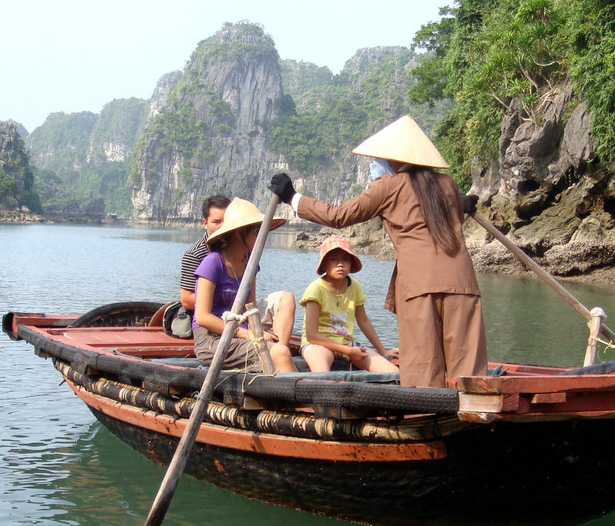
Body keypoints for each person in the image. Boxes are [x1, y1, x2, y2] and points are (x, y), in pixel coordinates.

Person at [269, 114, 488, 388]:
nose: (376, 164)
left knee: (423, 365)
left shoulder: (388, 186)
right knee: (468, 365)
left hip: (420, 284)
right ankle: (475, 408)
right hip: (462, 281)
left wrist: (292, 197)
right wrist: (460, 203)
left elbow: (338, 215)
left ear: (392, 158)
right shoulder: (447, 185)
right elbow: (440, 213)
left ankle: (426, 409)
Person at [172, 194, 295, 346]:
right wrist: (222, 294)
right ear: (205, 223)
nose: (222, 226)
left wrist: (251, 325)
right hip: (216, 316)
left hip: (241, 313)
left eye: (226, 220)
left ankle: (280, 348)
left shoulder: (247, 254)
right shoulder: (200, 256)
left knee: (285, 299)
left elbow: (250, 302)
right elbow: (187, 301)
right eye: (216, 221)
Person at [299, 234, 399, 373]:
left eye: (345, 259)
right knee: (321, 372)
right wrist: (347, 351)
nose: (340, 264)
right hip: (318, 344)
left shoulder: (355, 286)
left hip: (346, 342)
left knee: (392, 372)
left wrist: (383, 350)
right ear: (324, 264)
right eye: (334, 259)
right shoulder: (315, 289)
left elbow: (364, 321)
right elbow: (312, 335)